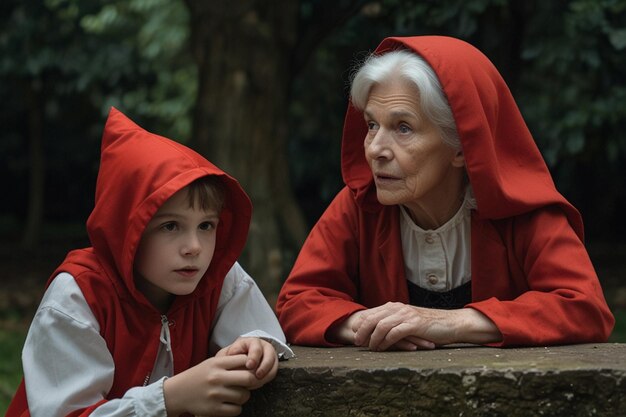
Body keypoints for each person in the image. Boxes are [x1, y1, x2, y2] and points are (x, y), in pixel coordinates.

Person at [276, 35, 614, 352]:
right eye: (372, 125)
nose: (375, 149)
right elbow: (296, 302)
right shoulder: (359, 206)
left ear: (462, 147)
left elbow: (584, 307)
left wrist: (450, 323)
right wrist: (371, 325)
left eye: (403, 128)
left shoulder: (524, 211)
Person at [7, 107, 294, 417]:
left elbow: (260, 331)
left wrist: (256, 345)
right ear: (127, 229)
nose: (194, 247)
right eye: (171, 226)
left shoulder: (217, 277)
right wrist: (168, 398)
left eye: (206, 226)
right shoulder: (78, 296)